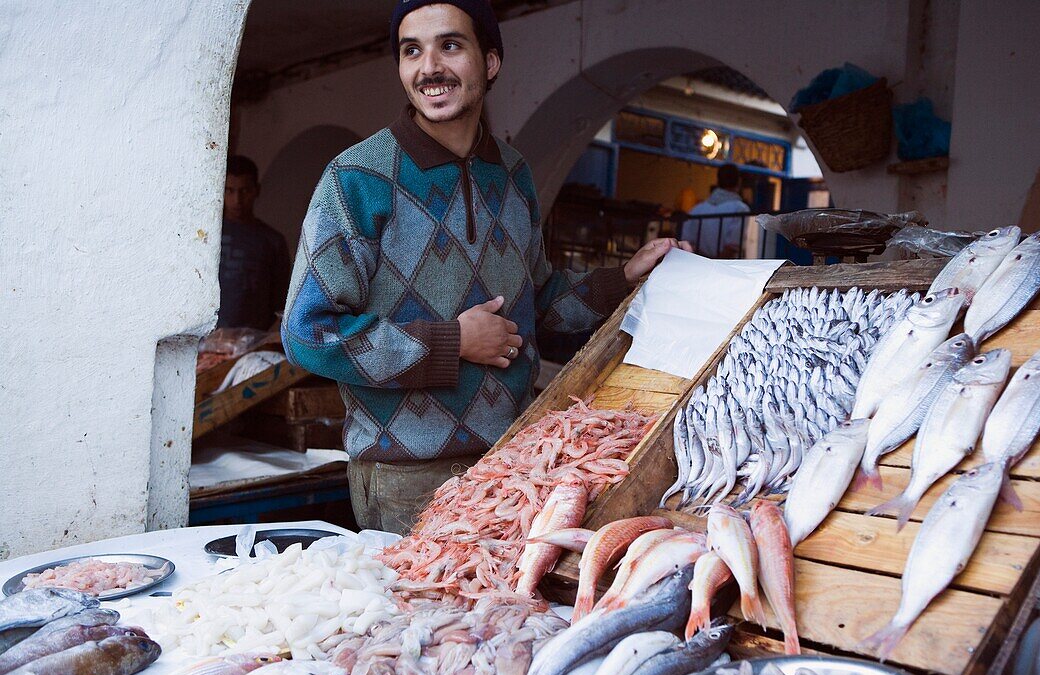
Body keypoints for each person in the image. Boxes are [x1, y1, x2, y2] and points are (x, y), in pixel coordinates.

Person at [282, 0, 689, 534]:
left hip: (516, 462)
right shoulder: (357, 177)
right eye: (412, 51)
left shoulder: (513, 172)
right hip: (406, 476)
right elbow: (308, 333)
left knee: (508, 620)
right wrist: (453, 343)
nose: (429, 67)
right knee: (422, 617)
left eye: (450, 45)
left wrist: (623, 279)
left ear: (490, 62)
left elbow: (538, 304)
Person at [218, 155, 291, 330]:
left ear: (257, 190)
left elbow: (281, 301)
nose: (237, 200)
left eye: (245, 191)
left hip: (252, 342)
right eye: (229, 190)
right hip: (205, 341)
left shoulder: (272, 241)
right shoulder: (205, 235)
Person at [681, 163, 751, 259]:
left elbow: (687, 243)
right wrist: (715, 263)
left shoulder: (696, 210)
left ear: (718, 181)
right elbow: (732, 247)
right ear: (739, 182)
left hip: (699, 265)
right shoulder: (740, 209)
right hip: (724, 268)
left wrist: (704, 261)